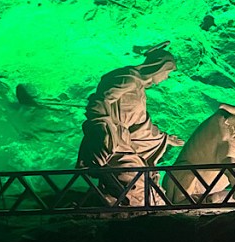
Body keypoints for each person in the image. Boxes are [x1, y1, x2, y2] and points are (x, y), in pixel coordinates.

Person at [77, 42, 185, 205]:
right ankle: (117, 205)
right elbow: (99, 101)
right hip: (113, 141)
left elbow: (141, 124)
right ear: (159, 67)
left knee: (144, 178)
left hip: (124, 141)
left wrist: (164, 138)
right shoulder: (127, 79)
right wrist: (103, 130)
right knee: (135, 177)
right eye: (167, 72)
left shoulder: (139, 90)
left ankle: (115, 202)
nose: (166, 77)